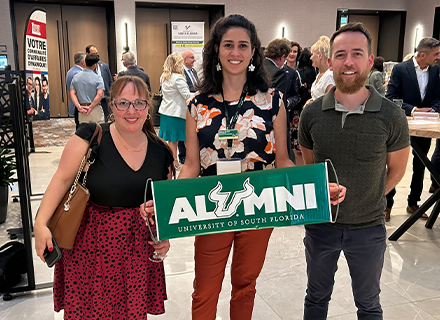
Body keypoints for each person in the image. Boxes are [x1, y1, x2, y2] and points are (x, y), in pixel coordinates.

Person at [180, 14, 345, 320]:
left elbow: (283, 160)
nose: (235, 52)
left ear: (254, 52)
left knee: (245, 285)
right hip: (212, 205)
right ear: (216, 50)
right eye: (228, 45)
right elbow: (190, 165)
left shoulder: (273, 102)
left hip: (258, 206)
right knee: (205, 289)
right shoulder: (197, 104)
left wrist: (317, 188)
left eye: (243, 45)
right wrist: (169, 205)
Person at [34, 75, 173, 318]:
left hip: (136, 253)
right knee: (88, 312)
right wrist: (40, 223)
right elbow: (62, 179)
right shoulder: (91, 137)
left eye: (139, 103)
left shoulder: (161, 151)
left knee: (131, 313)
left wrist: (164, 239)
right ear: (112, 106)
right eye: (123, 103)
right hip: (90, 249)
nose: (132, 110)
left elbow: (161, 205)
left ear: (148, 107)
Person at [299, 22, 410, 319]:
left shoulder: (391, 115)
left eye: (357, 54)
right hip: (322, 225)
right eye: (341, 54)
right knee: (316, 298)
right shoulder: (311, 114)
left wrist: (368, 196)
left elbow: (397, 170)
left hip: (368, 228)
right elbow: (310, 165)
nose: (348, 62)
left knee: (369, 303)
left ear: (370, 61)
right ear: (331, 59)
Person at [386, 37, 440, 219]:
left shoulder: (435, 71)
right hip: (401, 124)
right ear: (423, 54)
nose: (438, 57)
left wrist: (433, 109)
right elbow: (391, 96)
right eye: (436, 54)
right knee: (392, 165)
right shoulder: (401, 69)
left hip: (425, 125)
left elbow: (438, 97)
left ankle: (413, 203)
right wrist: (414, 110)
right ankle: (387, 206)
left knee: (421, 164)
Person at [158, 53, 192, 170]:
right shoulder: (178, 78)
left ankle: (173, 161)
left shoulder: (163, 76)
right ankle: (190, 160)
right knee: (187, 138)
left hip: (166, 111)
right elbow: (187, 95)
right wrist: (199, 95)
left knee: (172, 140)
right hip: (177, 113)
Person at [70, 53, 105, 124]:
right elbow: (100, 94)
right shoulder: (98, 78)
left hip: (82, 109)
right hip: (95, 109)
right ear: (95, 65)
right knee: (98, 131)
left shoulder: (76, 77)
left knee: (84, 133)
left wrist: (78, 106)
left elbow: (72, 93)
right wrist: (91, 107)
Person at [180, 50, 199, 164]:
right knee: (184, 131)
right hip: (185, 106)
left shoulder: (193, 71)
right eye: (191, 58)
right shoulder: (181, 73)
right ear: (184, 60)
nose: (194, 60)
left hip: (195, 105)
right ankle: (183, 154)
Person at [86, 45, 113, 121]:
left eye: (97, 53)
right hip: (92, 100)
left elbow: (110, 82)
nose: (96, 56)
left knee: (105, 119)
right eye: (93, 54)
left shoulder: (104, 66)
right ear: (87, 54)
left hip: (105, 99)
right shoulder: (85, 69)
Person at [309, 35, 335, 101]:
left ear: (320, 56)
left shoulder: (329, 76)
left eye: (312, 54)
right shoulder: (319, 74)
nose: (311, 58)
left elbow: (330, 101)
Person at [66, 52, 86, 128]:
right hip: (81, 104)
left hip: (74, 103)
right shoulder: (80, 73)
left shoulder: (70, 72)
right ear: (83, 62)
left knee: (78, 124)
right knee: (82, 126)